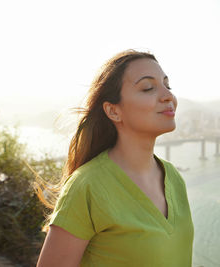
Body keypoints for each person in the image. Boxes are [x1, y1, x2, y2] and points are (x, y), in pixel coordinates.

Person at [36, 50, 194, 267]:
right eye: (148, 88)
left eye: (168, 85)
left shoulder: (173, 178)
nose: (168, 96)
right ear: (113, 111)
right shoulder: (87, 185)